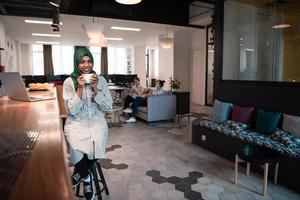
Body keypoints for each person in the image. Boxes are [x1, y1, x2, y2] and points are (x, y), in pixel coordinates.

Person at [63, 47, 112, 200]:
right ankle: (87, 178)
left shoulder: (101, 80)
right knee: (76, 146)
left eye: (89, 61)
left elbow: (107, 106)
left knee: (97, 143)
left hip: (96, 121)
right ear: (77, 63)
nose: (86, 65)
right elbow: (72, 110)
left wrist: (96, 87)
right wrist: (79, 88)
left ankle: (79, 173)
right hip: (76, 122)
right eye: (82, 62)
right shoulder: (69, 82)